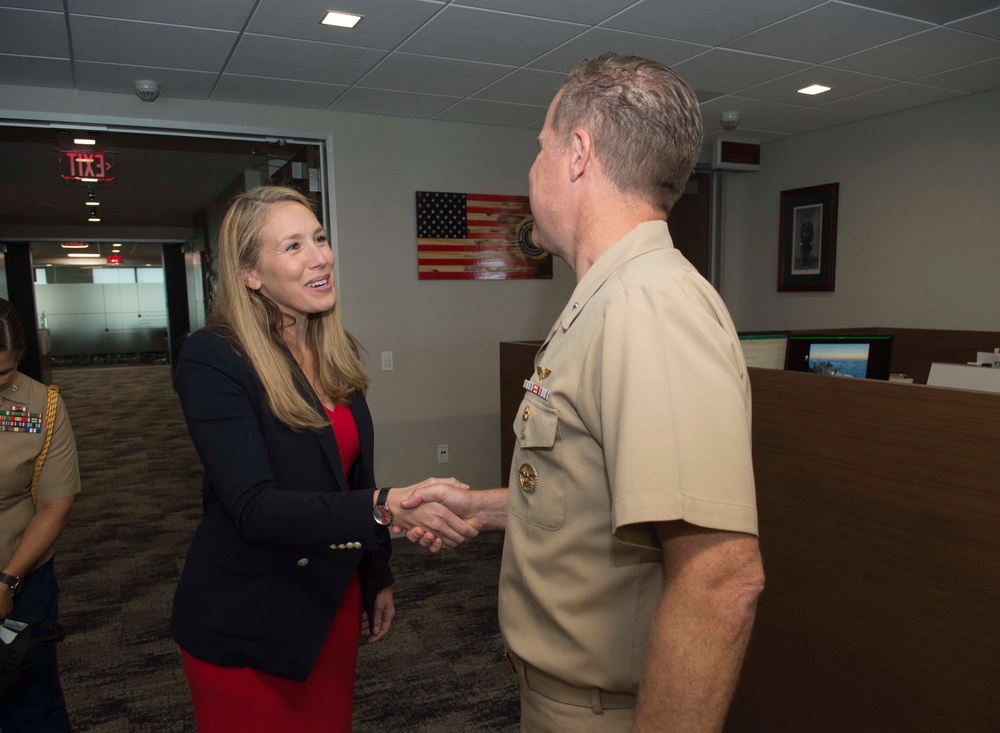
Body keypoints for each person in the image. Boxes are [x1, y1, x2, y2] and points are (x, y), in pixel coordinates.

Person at [400, 53, 765, 732]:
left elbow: (719, 579)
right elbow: (592, 495)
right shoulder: (604, 301)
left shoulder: (649, 307)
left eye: (539, 149)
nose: (530, 170)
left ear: (576, 154)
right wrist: (482, 509)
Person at [171, 185, 478, 732]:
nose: (321, 256)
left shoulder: (336, 349)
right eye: (292, 246)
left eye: (319, 237)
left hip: (329, 604)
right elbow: (255, 508)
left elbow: (353, 479)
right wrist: (389, 507)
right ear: (251, 274)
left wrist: (375, 573)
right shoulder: (212, 358)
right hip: (250, 619)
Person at [0, 298, 79, 733]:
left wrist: (8, 579)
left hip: (21, 574)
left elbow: (55, 503)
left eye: (2, 371)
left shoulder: (37, 406)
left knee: (28, 697)